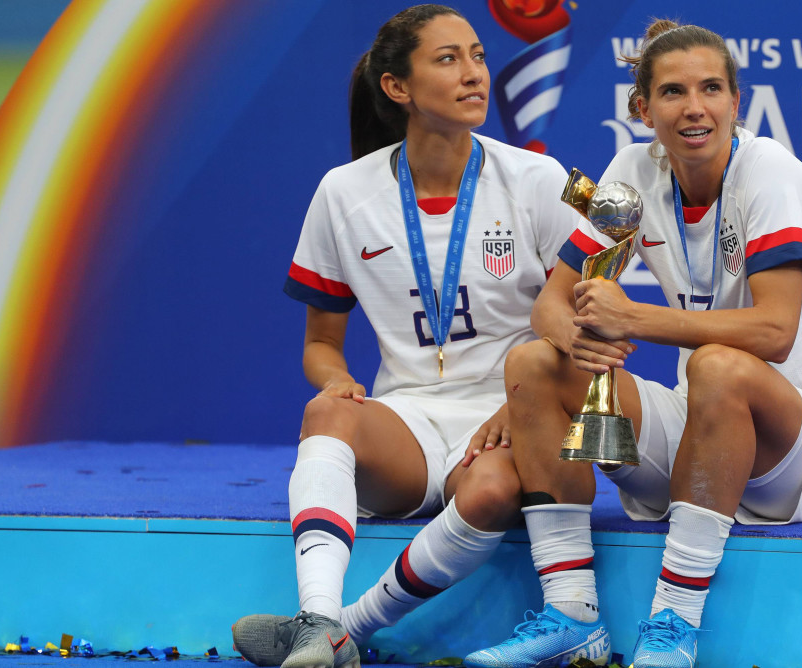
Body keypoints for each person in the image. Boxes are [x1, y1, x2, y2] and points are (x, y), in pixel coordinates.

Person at [464, 19, 802, 668]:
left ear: (736, 103)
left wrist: (634, 320)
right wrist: (573, 353)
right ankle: (573, 614)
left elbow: (775, 331)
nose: (695, 108)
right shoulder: (630, 175)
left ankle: (672, 629)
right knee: (533, 363)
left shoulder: (771, 174)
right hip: (706, 433)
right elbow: (550, 301)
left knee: (719, 368)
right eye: (674, 92)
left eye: (712, 89)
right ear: (642, 109)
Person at [229, 6, 580, 668]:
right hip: (409, 422)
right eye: (448, 59)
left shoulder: (538, 180)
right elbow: (319, 344)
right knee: (325, 412)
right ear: (398, 87)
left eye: (477, 55)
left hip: (511, 414)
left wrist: (527, 402)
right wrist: (335, 378)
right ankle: (318, 616)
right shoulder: (343, 192)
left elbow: (583, 324)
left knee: (492, 492)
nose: (474, 73)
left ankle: (344, 633)